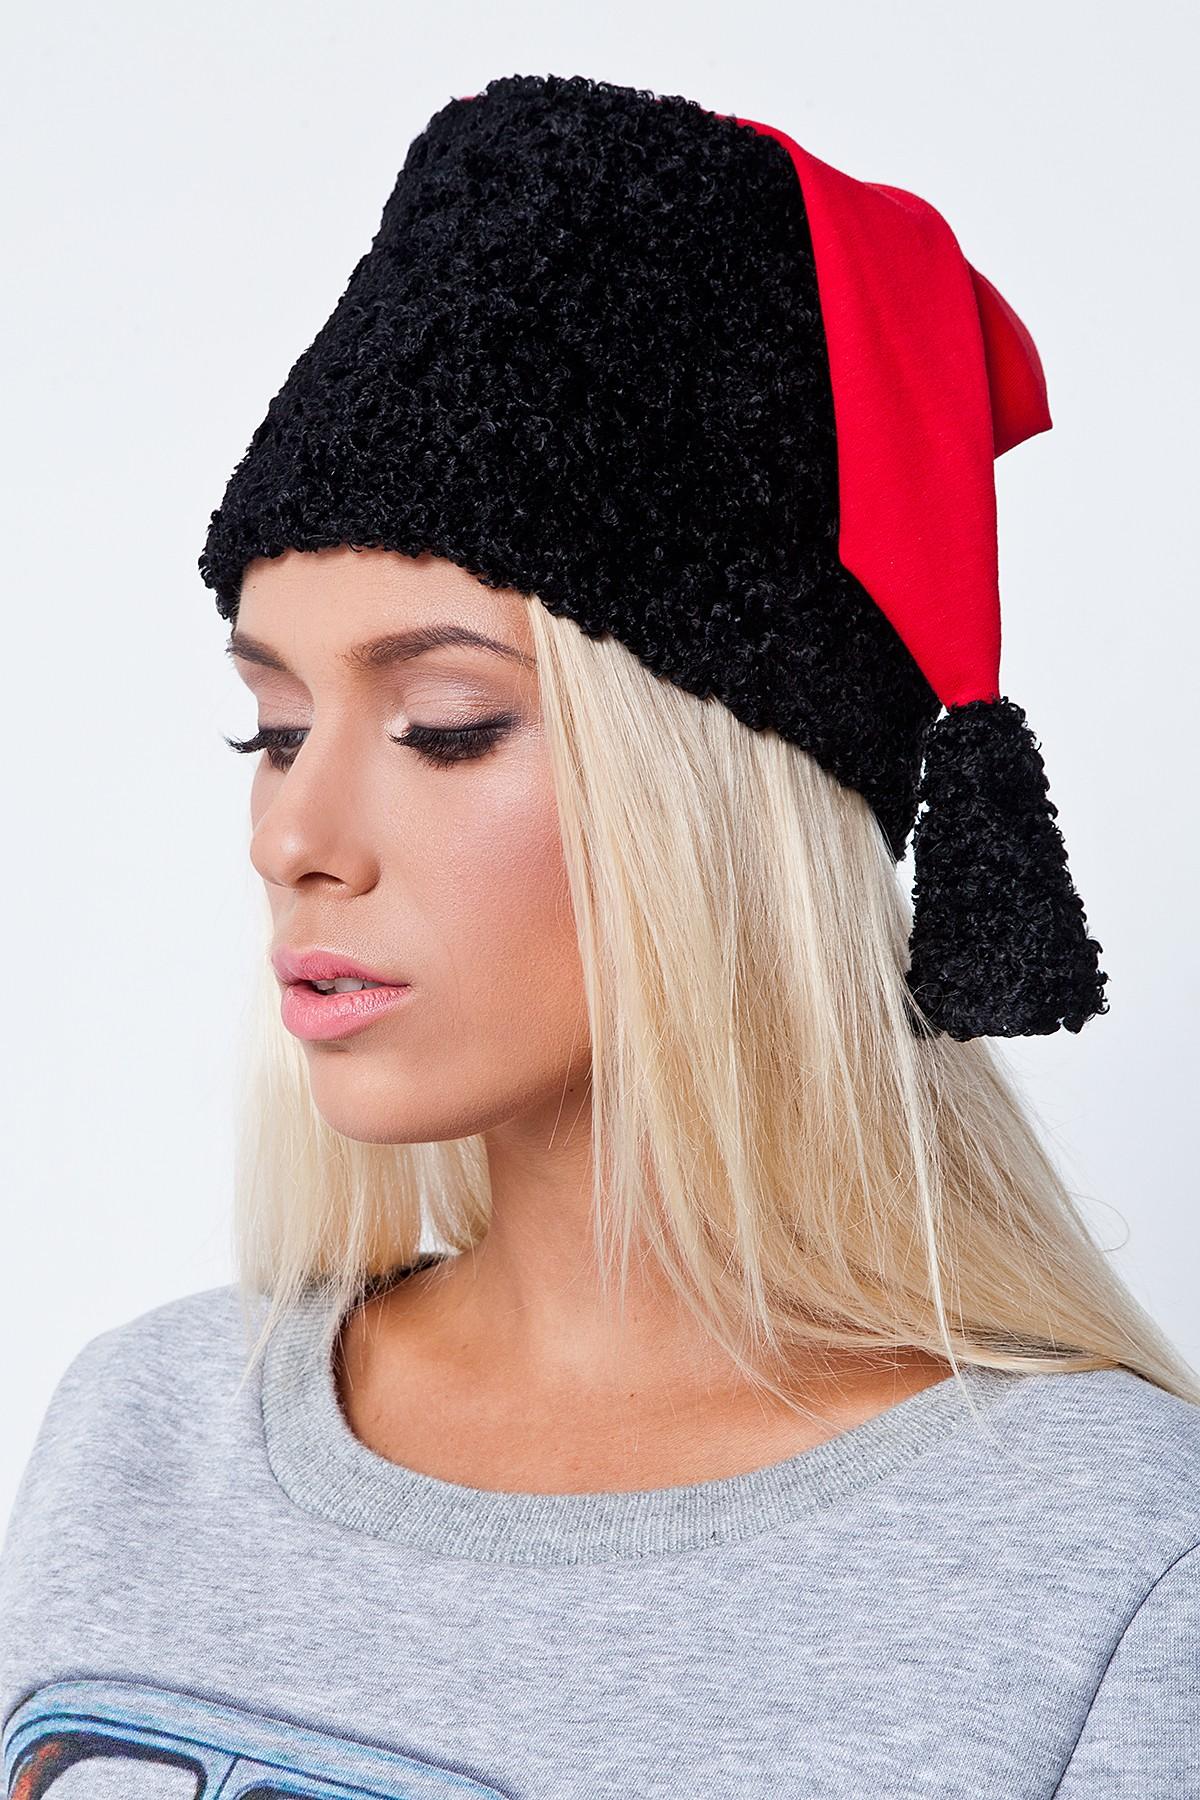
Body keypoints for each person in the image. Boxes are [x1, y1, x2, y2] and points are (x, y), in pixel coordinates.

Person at [2, 70, 1197, 1800]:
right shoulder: (141, 1435)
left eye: (446, 728)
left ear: (718, 798)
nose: (291, 838)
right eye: (273, 727)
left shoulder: (1110, 1570)